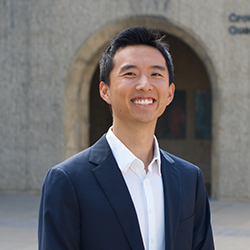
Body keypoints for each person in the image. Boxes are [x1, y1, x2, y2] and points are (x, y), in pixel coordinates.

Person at [38, 26, 214, 250]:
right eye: (130, 73)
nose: (144, 85)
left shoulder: (190, 179)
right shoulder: (68, 181)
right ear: (105, 91)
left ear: (169, 93)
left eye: (156, 74)